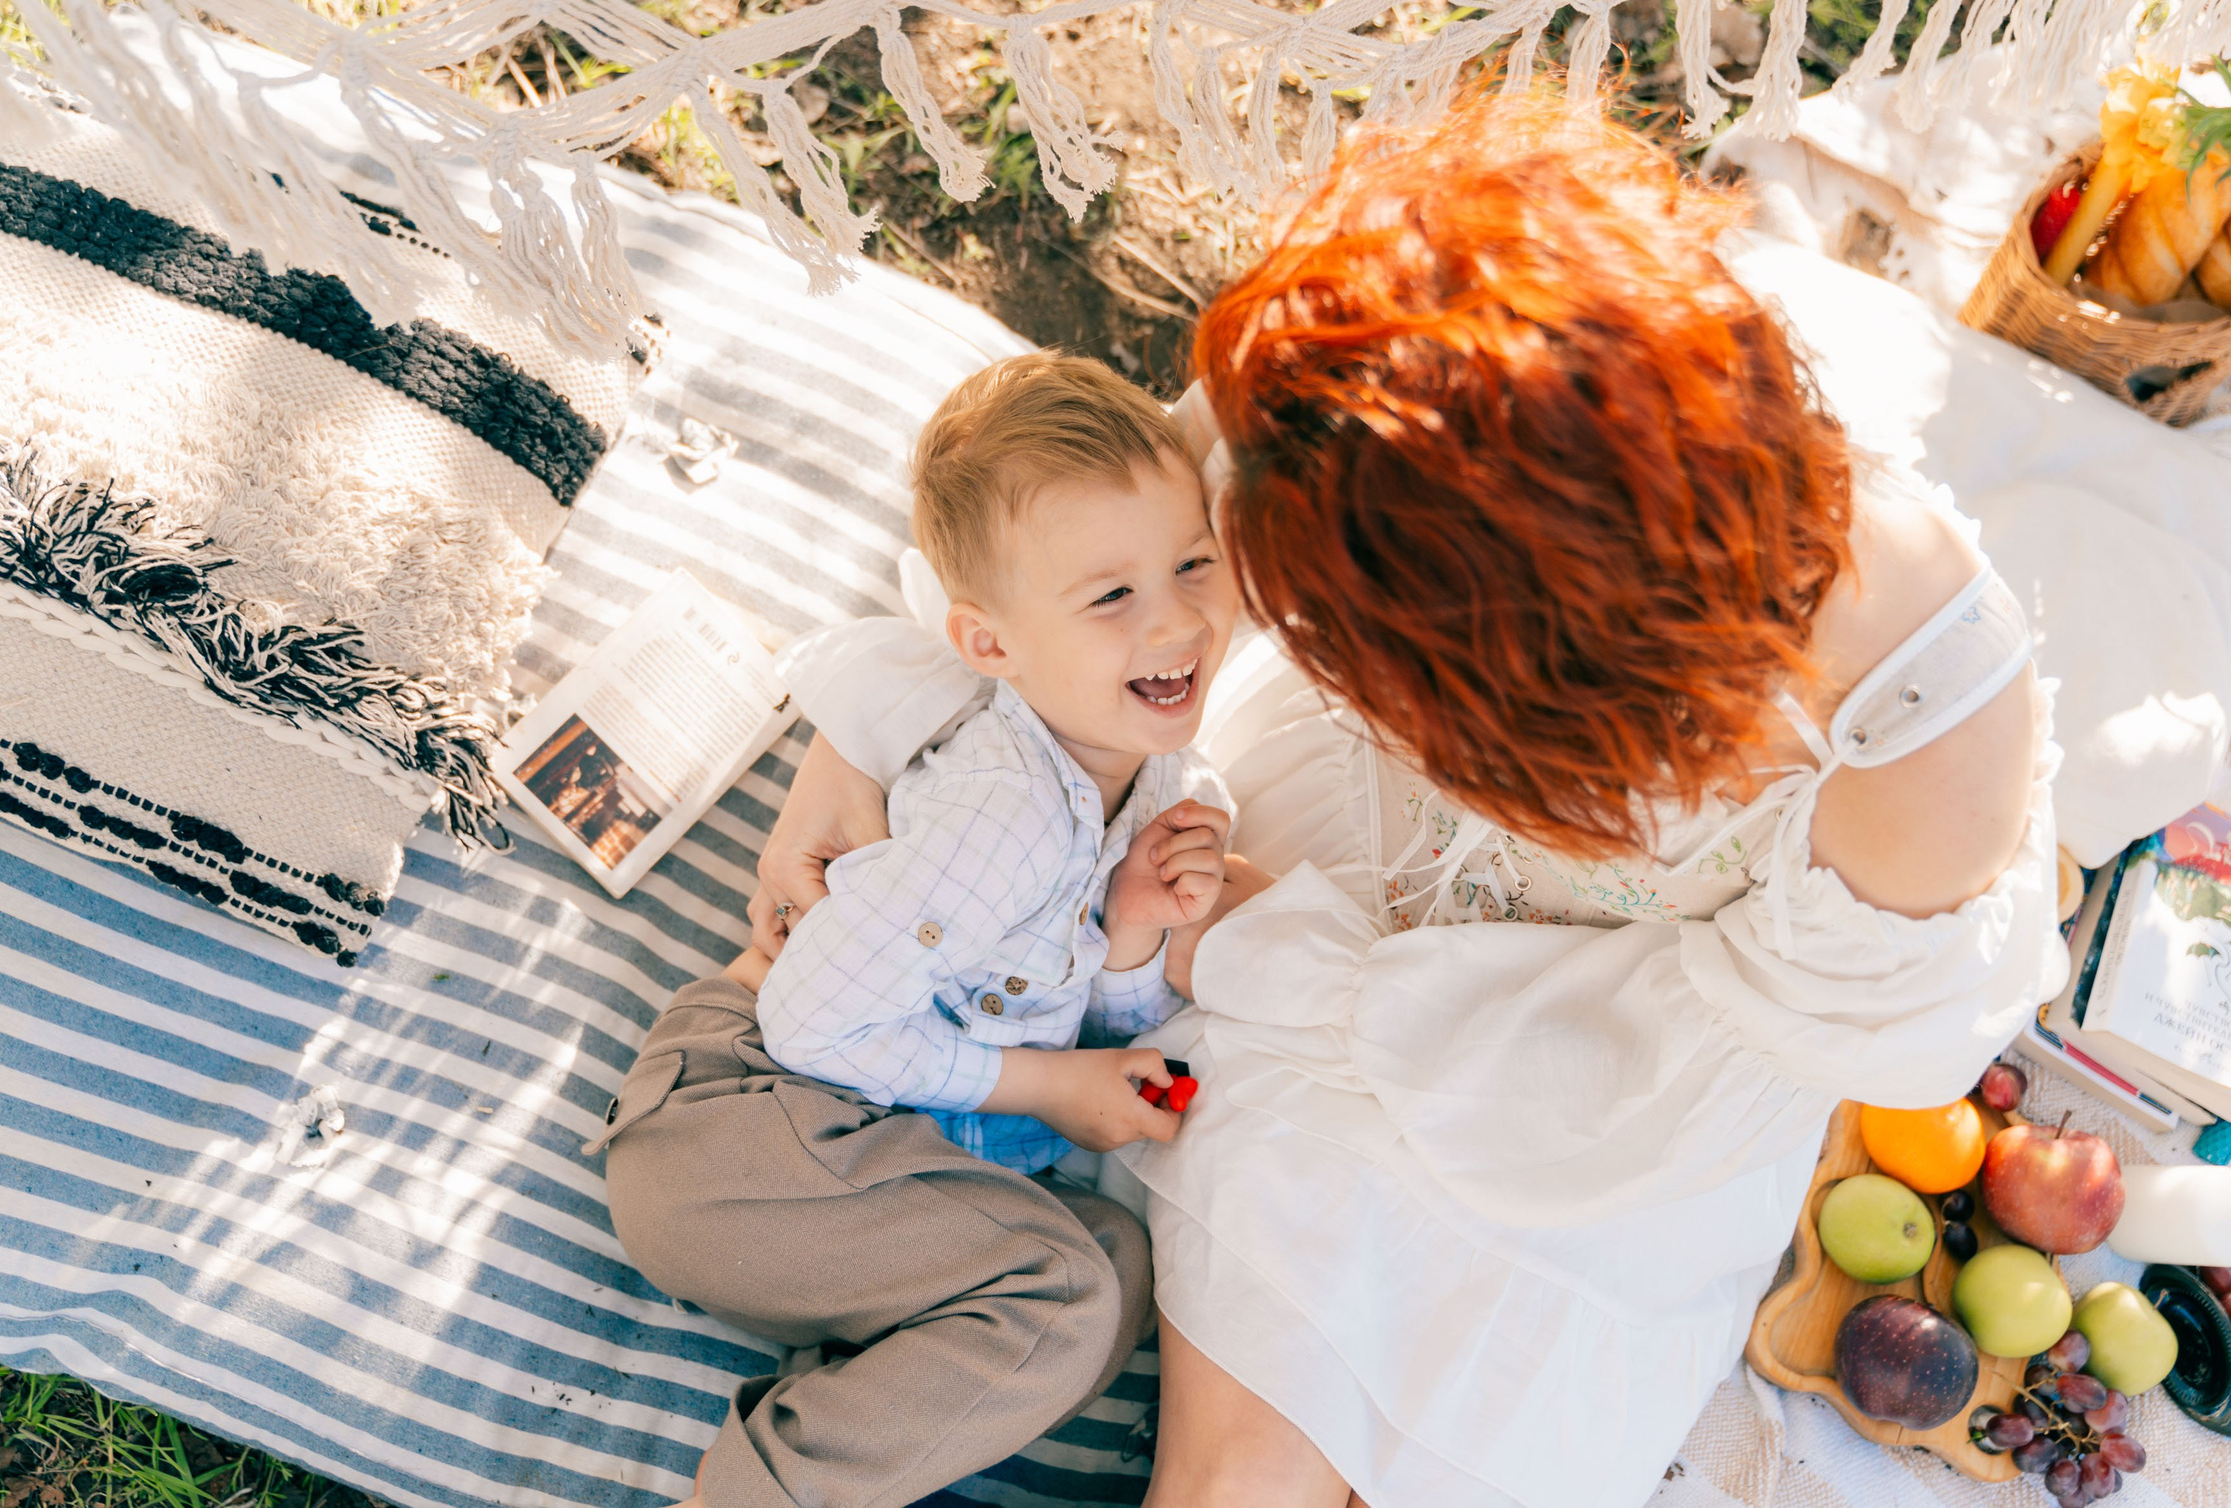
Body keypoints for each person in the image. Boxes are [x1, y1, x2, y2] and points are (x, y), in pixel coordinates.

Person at [748, 94, 2071, 1508]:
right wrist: (887, 722)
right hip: (1320, 878)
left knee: (1460, 1392)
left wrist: (1294, 959)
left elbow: (1717, 1058)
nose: (1262, 624)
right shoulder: (1364, 380)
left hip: (1609, 1074)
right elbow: (1095, 552)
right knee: (1229, 1480)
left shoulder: (1918, 722)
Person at [596, 352, 1241, 1508]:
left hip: (880, 1151)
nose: (1179, 617)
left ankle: (851, 1375)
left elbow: (1075, 1002)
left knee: (1111, 1262)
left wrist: (1135, 928)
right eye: (1112, 597)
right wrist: (1050, 1086)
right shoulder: (1004, 814)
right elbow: (808, 1024)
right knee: (1065, 1295)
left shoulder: (1150, 767)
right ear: (990, 646)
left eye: (1194, 562)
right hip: (748, 1121)